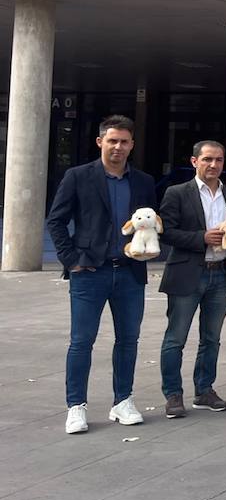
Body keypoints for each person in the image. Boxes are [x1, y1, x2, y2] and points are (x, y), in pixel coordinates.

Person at [46, 114, 157, 435]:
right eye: (112, 141)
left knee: (128, 340)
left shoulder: (143, 182)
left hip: (130, 274)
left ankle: (123, 401)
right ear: (100, 142)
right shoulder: (78, 176)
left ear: (132, 144)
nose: (118, 147)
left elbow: (147, 223)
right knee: (81, 342)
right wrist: (70, 259)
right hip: (89, 272)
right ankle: (76, 406)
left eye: (124, 141)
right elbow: (56, 220)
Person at [157, 140, 226, 418]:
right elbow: (166, 231)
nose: (213, 165)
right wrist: (200, 238)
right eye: (207, 159)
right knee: (175, 338)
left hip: (220, 275)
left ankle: (204, 390)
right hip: (187, 273)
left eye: (218, 160)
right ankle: (173, 394)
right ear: (194, 162)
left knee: (212, 338)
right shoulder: (177, 192)